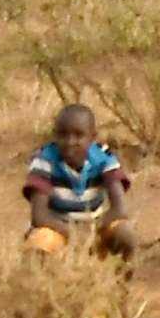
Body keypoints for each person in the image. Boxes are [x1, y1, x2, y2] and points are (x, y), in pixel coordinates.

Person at [23, 104, 138, 263]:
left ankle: (120, 282)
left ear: (92, 137)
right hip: (57, 228)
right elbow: (39, 216)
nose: (70, 142)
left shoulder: (103, 158)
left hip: (95, 226)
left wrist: (91, 232)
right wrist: (74, 234)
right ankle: (38, 286)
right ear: (55, 136)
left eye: (78, 135)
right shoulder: (44, 161)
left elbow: (120, 210)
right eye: (63, 135)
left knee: (125, 233)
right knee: (39, 245)